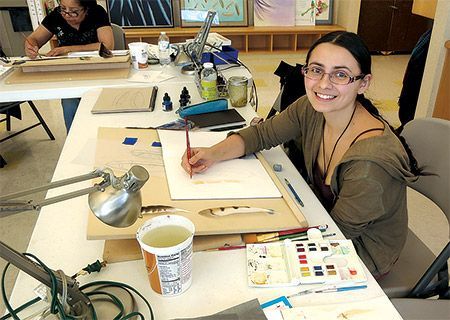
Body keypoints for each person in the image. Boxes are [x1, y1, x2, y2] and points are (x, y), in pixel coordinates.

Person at [181, 31, 419, 279]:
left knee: (237, 261)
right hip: (319, 216)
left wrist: (248, 236)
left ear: (363, 83)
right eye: (316, 70)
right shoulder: (312, 107)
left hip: (356, 252)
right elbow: (261, 135)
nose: (323, 84)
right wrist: (212, 154)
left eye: (340, 74)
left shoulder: (369, 166)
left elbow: (333, 237)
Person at [24, 0, 113, 132]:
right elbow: (34, 38)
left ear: (86, 9)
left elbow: (107, 46)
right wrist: (31, 46)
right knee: (70, 103)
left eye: (73, 11)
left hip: (98, 71)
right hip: (69, 76)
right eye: (63, 9)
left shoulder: (97, 13)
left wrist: (68, 49)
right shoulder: (56, 16)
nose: (67, 15)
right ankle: (74, 142)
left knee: (102, 105)